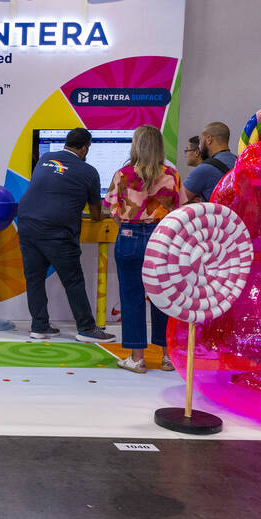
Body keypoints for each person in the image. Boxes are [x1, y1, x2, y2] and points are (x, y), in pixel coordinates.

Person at [15, 127, 116, 343]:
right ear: (84, 148)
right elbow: (96, 213)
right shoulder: (89, 171)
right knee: (73, 281)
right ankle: (87, 329)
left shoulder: (45, 158)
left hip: (26, 224)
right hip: (56, 231)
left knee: (34, 279)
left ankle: (39, 326)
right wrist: (104, 213)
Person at [105, 125, 185, 373]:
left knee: (131, 298)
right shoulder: (172, 175)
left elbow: (113, 211)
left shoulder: (123, 174)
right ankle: (168, 356)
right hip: (162, 240)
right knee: (164, 298)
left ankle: (137, 358)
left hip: (129, 237)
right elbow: (181, 209)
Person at [184, 122, 237, 203]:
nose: (200, 147)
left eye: (201, 140)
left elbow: (176, 200)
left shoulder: (204, 169)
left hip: (218, 215)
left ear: (209, 139)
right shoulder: (239, 162)